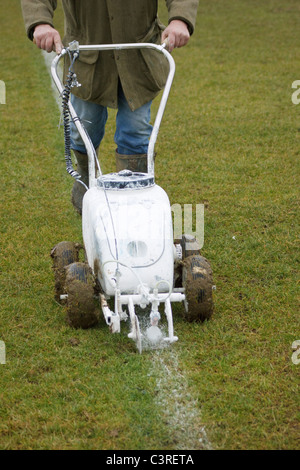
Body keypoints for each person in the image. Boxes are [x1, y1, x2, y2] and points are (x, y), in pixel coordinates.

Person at [21, 1, 199, 214]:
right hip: (87, 58)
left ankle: (133, 198)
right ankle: (87, 179)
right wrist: (40, 22)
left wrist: (180, 18)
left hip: (139, 55)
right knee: (84, 132)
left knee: (135, 131)